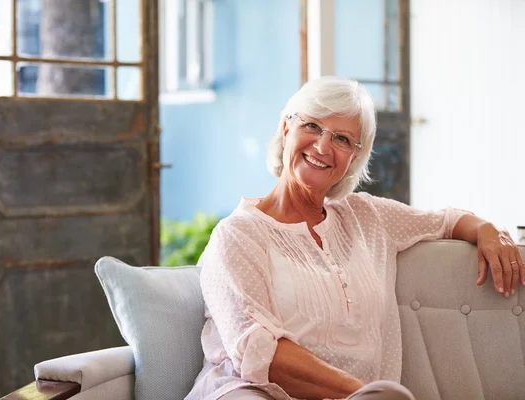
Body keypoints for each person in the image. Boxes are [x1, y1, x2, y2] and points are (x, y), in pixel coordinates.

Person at [184, 76, 524, 400]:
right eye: (312, 125)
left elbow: (448, 220)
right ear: (286, 128)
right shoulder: (238, 234)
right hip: (248, 392)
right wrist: (362, 392)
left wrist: (486, 230)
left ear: (353, 160)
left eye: (342, 139)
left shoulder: (367, 217)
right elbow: (255, 350)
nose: (322, 146)